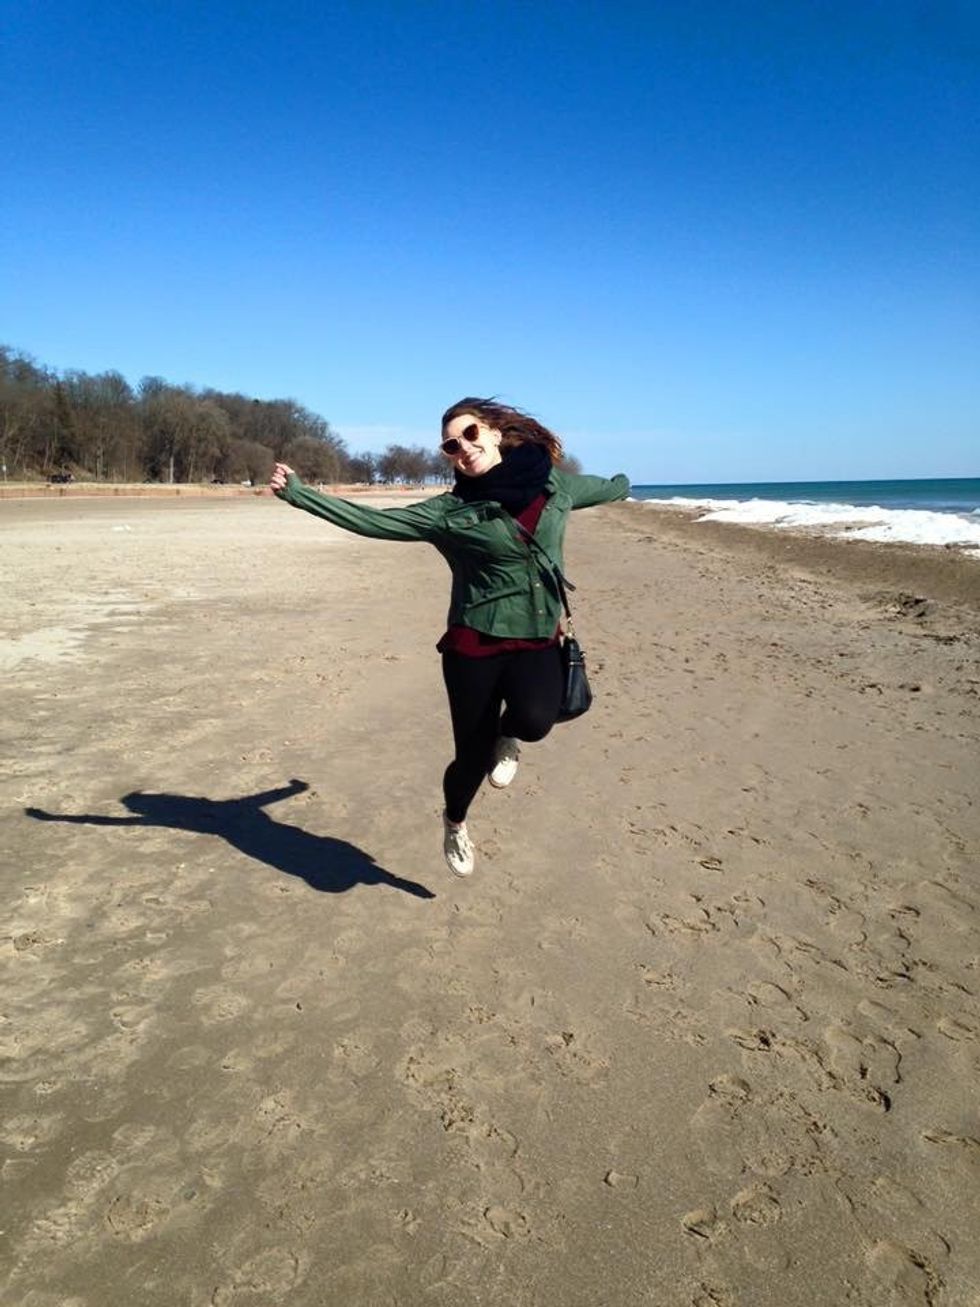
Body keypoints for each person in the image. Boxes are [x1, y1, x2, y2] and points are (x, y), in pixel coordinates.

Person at [269, 397, 629, 878]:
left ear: (495, 433)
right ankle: (455, 820)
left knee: (536, 720)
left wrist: (624, 483)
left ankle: (508, 737)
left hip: (538, 636)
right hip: (473, 647)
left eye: (471, 434)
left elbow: (605, 487)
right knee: (471, 761)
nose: (463, 448)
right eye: (451, 445)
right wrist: (300, 495)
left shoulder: (553, 484)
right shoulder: (449, 512)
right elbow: (374, 522)